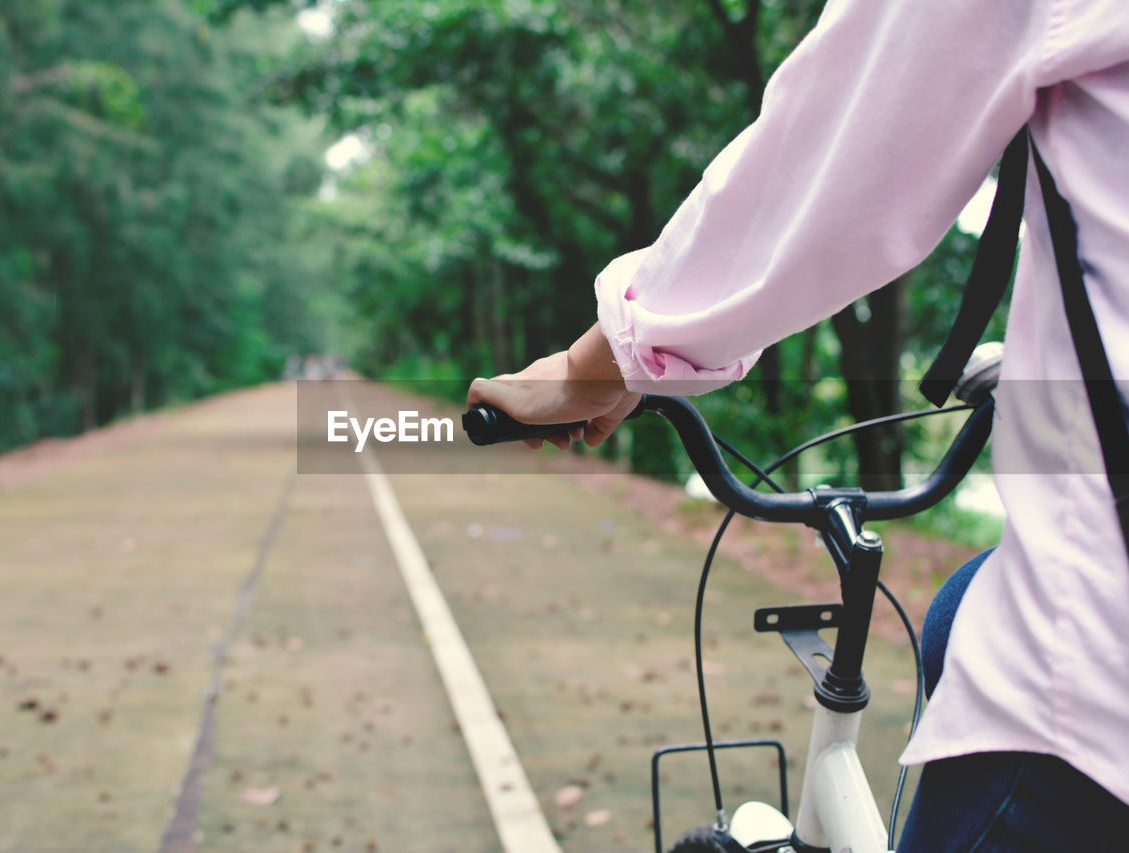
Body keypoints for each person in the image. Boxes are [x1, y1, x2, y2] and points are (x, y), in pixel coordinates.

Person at [467, 0, 1129, 848]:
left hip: (1099, 710)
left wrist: (598, 366)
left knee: (1013, 652)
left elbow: (837, 155)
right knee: (957, 611)